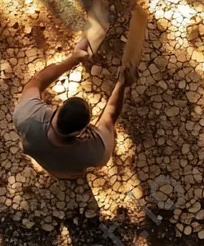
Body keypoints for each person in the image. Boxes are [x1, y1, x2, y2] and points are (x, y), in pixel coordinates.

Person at [14, 37, 135, 179]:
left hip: (44, 157)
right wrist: (121, 84)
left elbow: (37, 81)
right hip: (68, 169)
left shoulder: (26, 116)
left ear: (58, 109)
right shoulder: (95, 152)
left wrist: (73, 59)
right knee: (73, 173)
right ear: (80, 132)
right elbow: (110, 117)